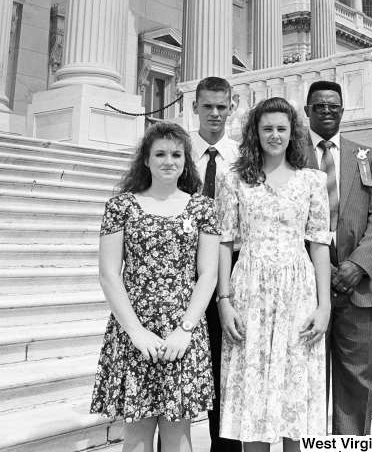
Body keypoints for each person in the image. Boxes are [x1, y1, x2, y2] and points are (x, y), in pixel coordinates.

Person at [91, 122, 220, 452]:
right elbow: (109, 274)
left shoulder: (203, 208)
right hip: (135, 328)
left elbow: (208, 274)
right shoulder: (121, 206)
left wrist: (185, 329)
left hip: (183, 329)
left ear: (186, 161)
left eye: (176, 154)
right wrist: (136, 332)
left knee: (179, 435)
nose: (168, 161)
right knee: (136, 433)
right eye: (159, 153)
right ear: (145, 160)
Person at [217, 97, 331, 450]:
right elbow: (224, 241)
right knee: (254, 394)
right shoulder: (234, 180)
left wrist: (324, 305)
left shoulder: (313, 180)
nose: (274, 135)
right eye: (267, 128)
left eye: (282, 128)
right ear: (255, 132)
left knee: (293, 395)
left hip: (298, 289)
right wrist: (224, 300)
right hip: (249, 289)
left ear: (293, 133)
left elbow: (319, 244)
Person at [304, 80, 372, 436]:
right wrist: (317, 268)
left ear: (343, 110)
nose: (327, 111)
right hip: (306, 283)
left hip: (357, 285)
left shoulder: (364, 156)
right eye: (319, 105)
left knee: (357, 376)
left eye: (333, 106)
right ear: (307, 110)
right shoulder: (290, 155)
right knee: (308, 376)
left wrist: (358, 263)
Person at [190, 76, 241, 452]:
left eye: (221, 106)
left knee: (226, 371)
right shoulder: (175, 154)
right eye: (207, 106)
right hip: (182, 272)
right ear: (195, 107)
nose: (214, 114)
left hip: (229, 271)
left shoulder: (244, 160)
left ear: (231, 107)